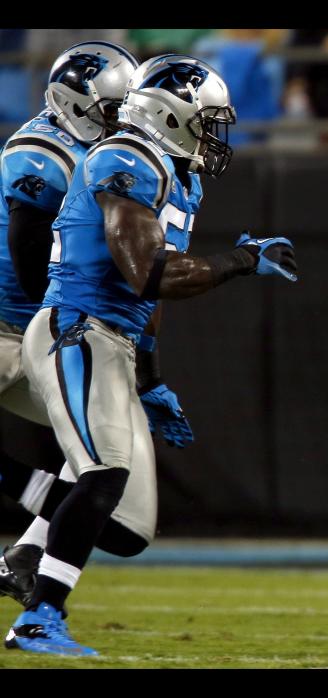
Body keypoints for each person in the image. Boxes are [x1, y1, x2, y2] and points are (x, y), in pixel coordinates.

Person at [3, 54, 298, 656]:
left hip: (111, 339)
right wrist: (240, 262)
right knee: (103, 472)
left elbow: (145, 300)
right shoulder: (125, 158)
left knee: (127, 526)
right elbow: (149, 274)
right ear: (173, 114)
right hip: (76, 330)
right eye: (209, 121)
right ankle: (39, 620)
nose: (216, 136)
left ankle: (29, 552)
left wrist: (150, 375)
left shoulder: (173, 172)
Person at [0, 42, 181, 606]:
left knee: (116, 499)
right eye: (108, 107)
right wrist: (72, 332)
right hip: (14, 324)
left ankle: (27, 552)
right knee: (96, 451)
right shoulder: (41, 154)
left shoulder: (129, 158)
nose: (119, 118)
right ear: (72, 102)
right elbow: (33, 273)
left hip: (52, 327)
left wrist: (145, 371)